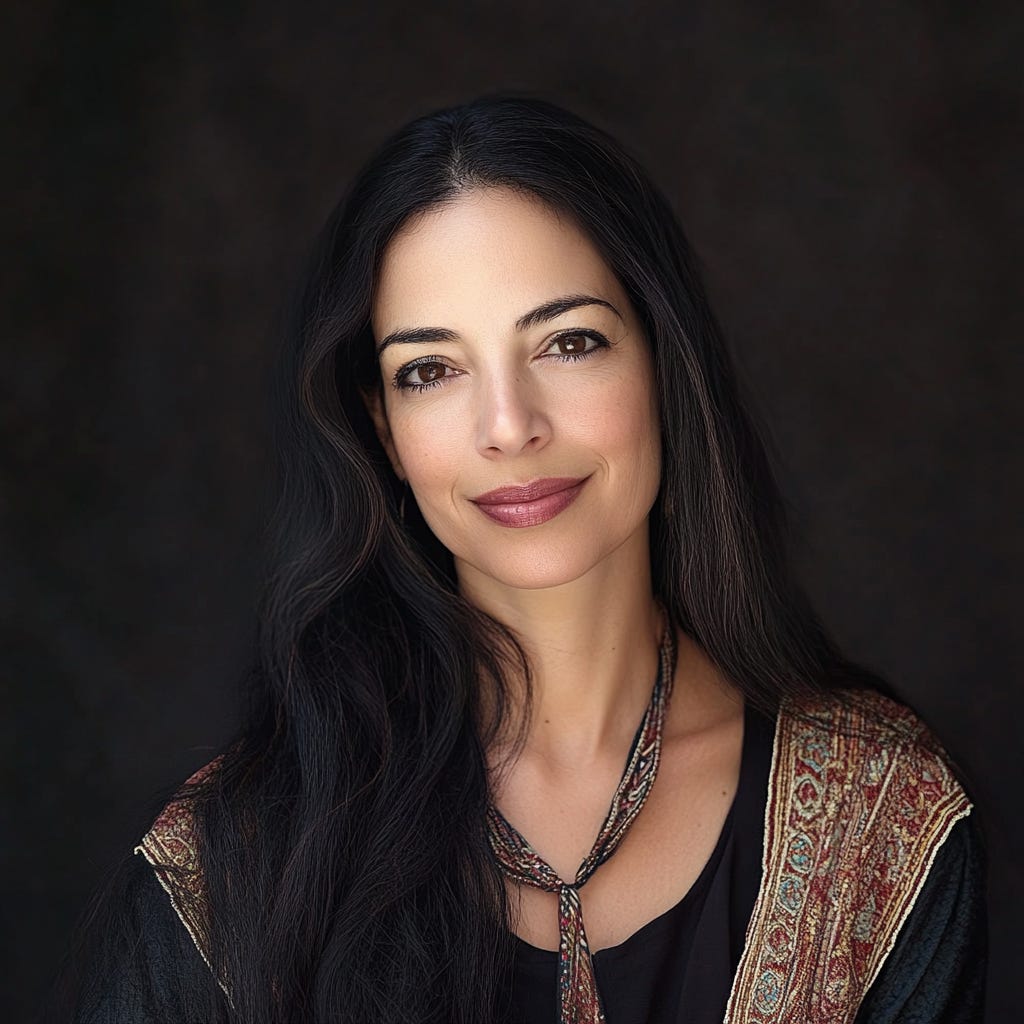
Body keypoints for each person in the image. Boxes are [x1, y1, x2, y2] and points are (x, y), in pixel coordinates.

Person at [52, 94, 986, 1024]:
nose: (508, 427)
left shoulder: (879, 818)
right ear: (381, 427)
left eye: (568, 342)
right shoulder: (239, 857)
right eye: (431, 370)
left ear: (664, 361)